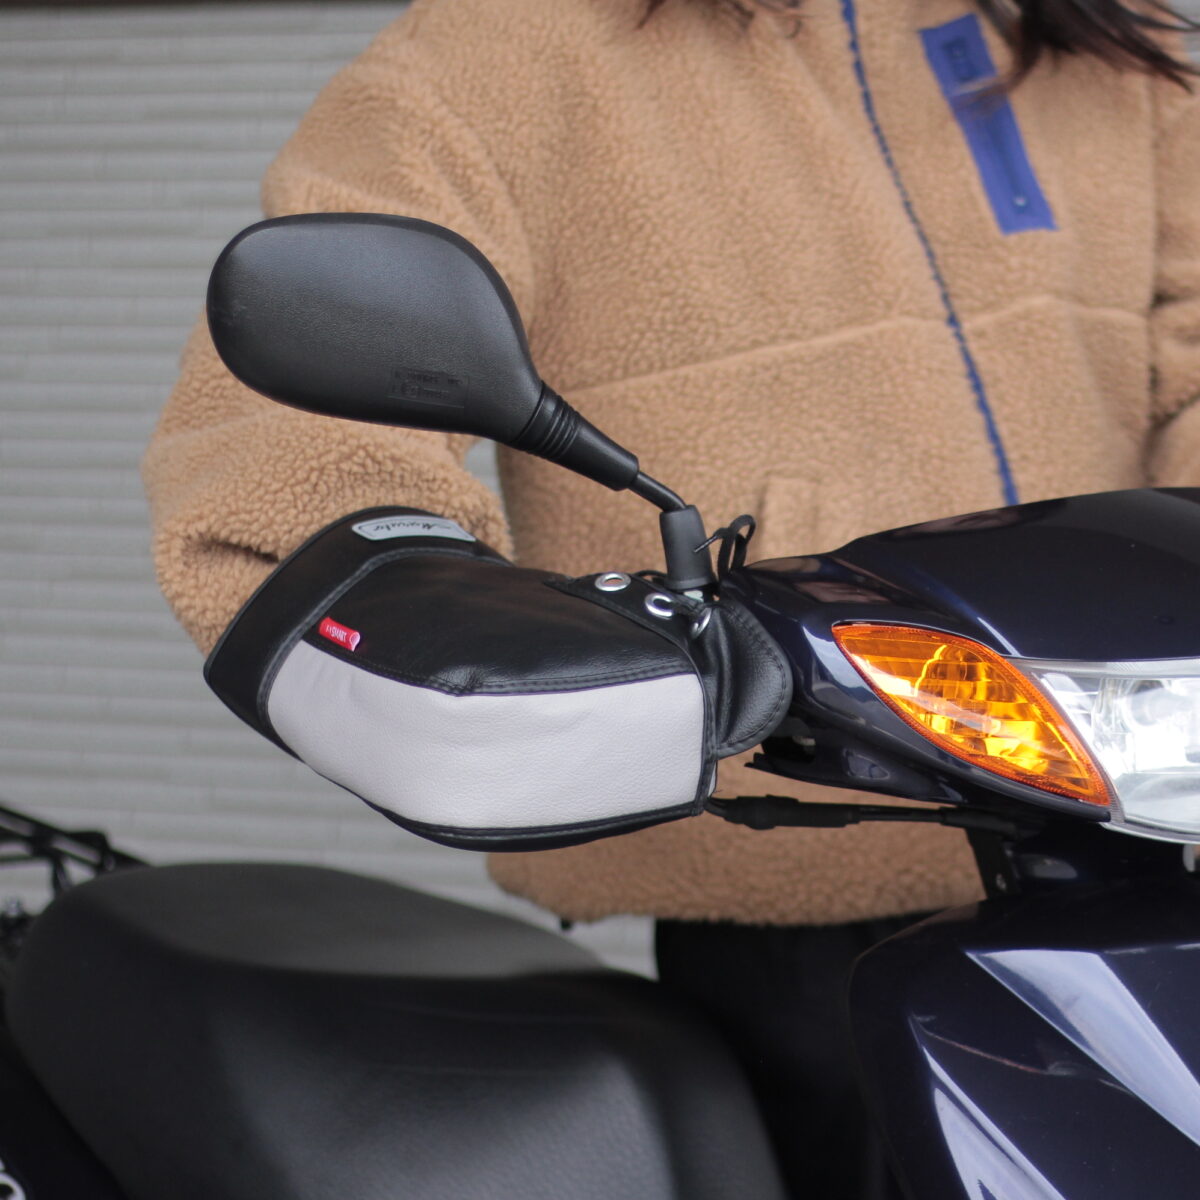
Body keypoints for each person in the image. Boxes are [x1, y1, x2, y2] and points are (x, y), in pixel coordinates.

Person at [143, 0, 1200, 1194]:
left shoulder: (1099, 52)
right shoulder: (513, 47)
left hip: (1158, 852)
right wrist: (422, 606)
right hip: (803, 877)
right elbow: (292, 436)